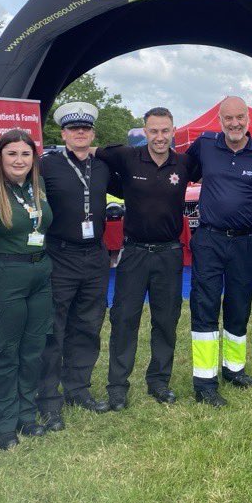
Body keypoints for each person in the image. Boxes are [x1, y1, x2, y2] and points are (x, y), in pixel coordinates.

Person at [95, 107, 192, 410]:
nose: (160, 137)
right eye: (154, 131)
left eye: (165, 131)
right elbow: (92, 150)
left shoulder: (186, 162)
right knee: (124, 320)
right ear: (144, 131)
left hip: (169, 253)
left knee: (166, 321)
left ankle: (159, 382)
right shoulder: (127, 156)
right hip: (134, 252)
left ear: (173, 130)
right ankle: (117, 388)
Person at [186, 96, 252, 407]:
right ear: (219, 120)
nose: (234, 123)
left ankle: (234, 370)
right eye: (228, 118)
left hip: (246, 242)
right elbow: (183, 173)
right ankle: (205, 381)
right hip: (209, 239)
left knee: (239, 305)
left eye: (240, 117)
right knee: (205, 305)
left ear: (248, 118)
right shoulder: (205, 145)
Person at [37, 102, 115, 429]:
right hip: (60, 254)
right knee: (54, 328)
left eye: (85, 128)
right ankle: (48, 398)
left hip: (95, 256)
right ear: (64, 134)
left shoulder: (102, 167)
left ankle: (77, 388)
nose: (80, 133)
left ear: (92, 133)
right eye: (73, 129)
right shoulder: (46, 166)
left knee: (88, 324)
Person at [0, 129, 54, 449]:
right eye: (12, 154)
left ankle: (26, 414)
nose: (19, 160)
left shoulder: (38, 184)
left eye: (25, 154)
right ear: (0, 156)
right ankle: (4, 425)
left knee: (33, 350)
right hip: (3, 274)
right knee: (5, 352)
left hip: (40, 272)